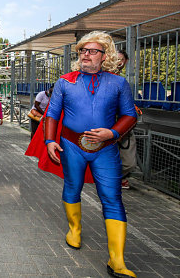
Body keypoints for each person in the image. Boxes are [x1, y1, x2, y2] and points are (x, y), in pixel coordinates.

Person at [45, 31, 137, 278]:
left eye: (92, 50)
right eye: (83, 50)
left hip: (105, 149)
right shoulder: (65, 81)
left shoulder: (118, 83)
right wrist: (50, 141)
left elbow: (130, 115)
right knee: (72, 188)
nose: (85, 54)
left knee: (112, 198)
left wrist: (112, 133)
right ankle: (74, 230)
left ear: (104, 55)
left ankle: (117, 260)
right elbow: (52, 114)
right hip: (71, 145)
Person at [117, 50, 137, 189]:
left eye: (122, 59)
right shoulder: (99, 77)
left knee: (129, 162)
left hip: (123, 126)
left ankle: (119, 176)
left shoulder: (123, 82)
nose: (119, 62)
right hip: (103, 125)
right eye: (116, 58)